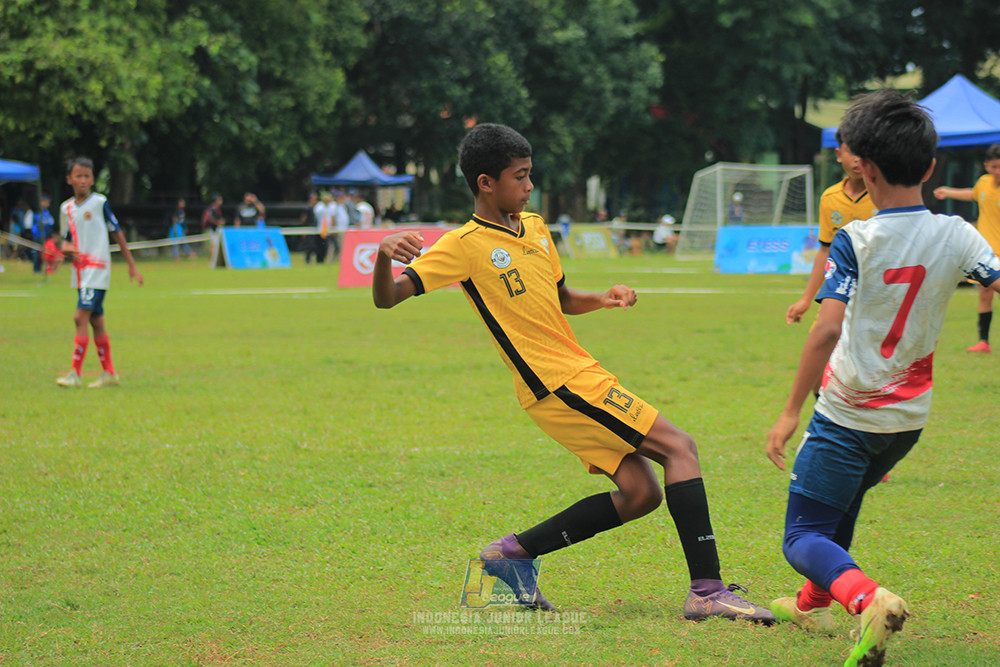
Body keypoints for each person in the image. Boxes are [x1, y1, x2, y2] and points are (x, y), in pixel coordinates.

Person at [373, 123, 775, 623]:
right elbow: (389, 299)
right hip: (556, 383)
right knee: (680, 447)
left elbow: (561, 299)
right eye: (519, 177)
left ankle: (511, 556)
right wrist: (382, 260)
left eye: (530, 175)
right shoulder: (463, 245)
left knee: (642, 494)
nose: (528, 186)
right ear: (485, 183)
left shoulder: (536, 228)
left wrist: (603, 298)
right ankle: (708, 591)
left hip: (576, 372)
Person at [764, 90, 1000, 667]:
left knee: (802, 537)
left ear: (863, 168)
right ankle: (810, 603)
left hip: (847, 415)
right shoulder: (959, 233)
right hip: (907, 422)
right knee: (837, 513)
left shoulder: (857, 239)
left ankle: (869, 600)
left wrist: (792, 409)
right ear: (930, 168)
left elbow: (825, 331)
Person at [56, 157, 144, 388]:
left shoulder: (99, 203)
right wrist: (66, 251)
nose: (83, 181)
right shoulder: (65, 209)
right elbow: (65, 242)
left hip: (97, 270)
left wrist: (131, 265)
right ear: (69, 179)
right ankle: (110, 373)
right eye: (78, 176)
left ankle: (75, 373)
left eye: (87, 176)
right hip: (80, 273)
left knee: (79, 317)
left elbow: (117, 233)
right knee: (96, 321)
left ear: (93, 179)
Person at [786, 132, 877, 327]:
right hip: (839, 291)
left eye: (864, 152)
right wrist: (806, 299)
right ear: (838, 154)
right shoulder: (830, 198)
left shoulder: (885, 195)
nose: (857, 160)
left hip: (878, 294)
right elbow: (826, 250)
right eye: (851, 152)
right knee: (822, 340)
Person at [933, 143, 1000, 352]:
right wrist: (948, 192)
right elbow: (974, 194)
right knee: (984, 293)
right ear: (987, 166)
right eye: (995, 167)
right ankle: (983, 342)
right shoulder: (984, 182)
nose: (998, 172)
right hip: (987, 251)